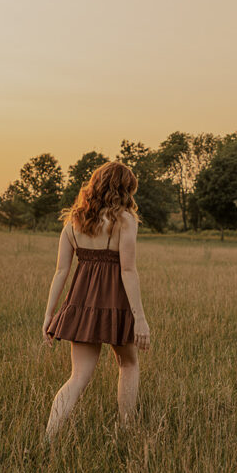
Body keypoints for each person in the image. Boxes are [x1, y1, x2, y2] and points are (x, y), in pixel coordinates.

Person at [42, 160, 151, 439]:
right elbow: (127, 270)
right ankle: (125, 432)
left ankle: (49, 438)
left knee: (77, 377)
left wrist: (49, 314)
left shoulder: (72, 223)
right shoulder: (125, 220)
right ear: (124, 189)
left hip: (82, 305)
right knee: (128, 364)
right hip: (115, 302)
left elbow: (61, 272)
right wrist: (139, 318)